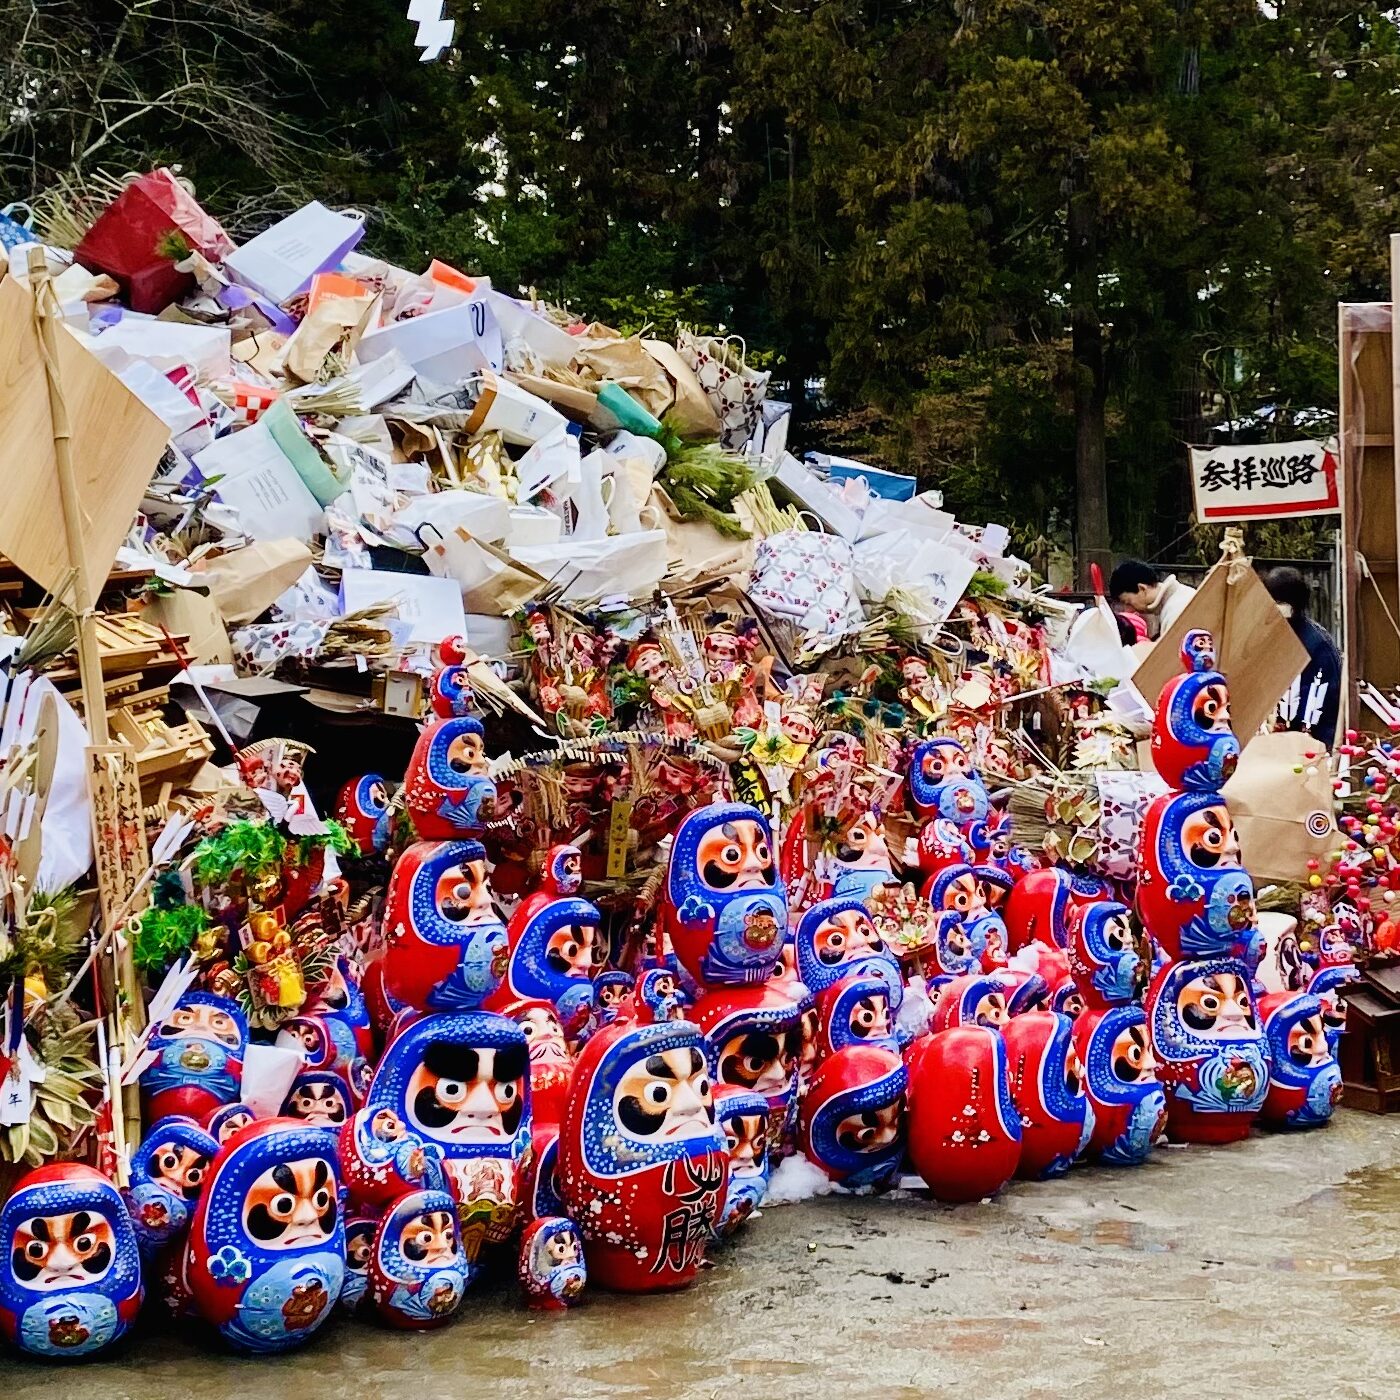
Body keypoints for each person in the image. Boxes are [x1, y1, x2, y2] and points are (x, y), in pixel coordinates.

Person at [1264, 566, 1341, 749]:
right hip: (1273, 737)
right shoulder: (1269, 636)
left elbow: (1324, 701)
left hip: (1311, 740)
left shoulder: (1317, 644)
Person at [1109, 559, 1198, 640]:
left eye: (1128, 603)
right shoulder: (1178, 597)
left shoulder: (1177, 610)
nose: (1128, 610)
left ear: (1142, 589)